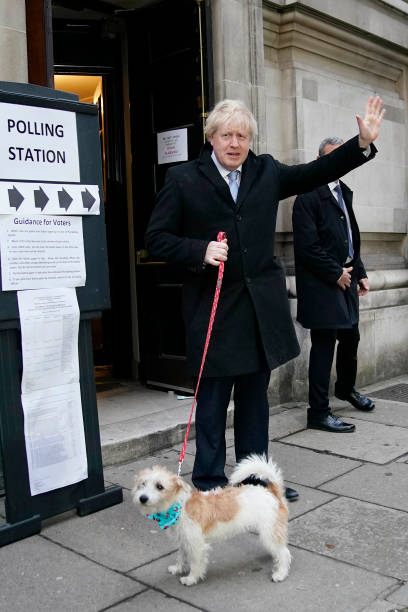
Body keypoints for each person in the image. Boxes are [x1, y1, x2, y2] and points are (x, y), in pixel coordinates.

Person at [145, 97, 385, 498]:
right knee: (213, 402)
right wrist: (198, 250)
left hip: (259, 310)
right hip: (214, 309)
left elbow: (316, 171)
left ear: (250, 139)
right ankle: (210, 483)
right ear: (212, 138)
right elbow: (156, 239)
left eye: (242, 135)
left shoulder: (266, 171)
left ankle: (256, 480)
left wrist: (359, 143)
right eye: (226, 135)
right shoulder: (184, 178)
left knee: (256, 401)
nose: (235, 143)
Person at [292, 137, 376, 433]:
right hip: (322, 283)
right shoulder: (308, 196)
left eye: (340, 159)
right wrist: (335, 273)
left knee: (351, 337)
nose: (336, 165)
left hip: (347, 279)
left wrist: (360, 271)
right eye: (331, 159)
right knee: (324, 346)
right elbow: (306, 247)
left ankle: (346, 389)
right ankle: (318, 412)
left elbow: (350, 237)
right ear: (319, 161)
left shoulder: (343, 191)